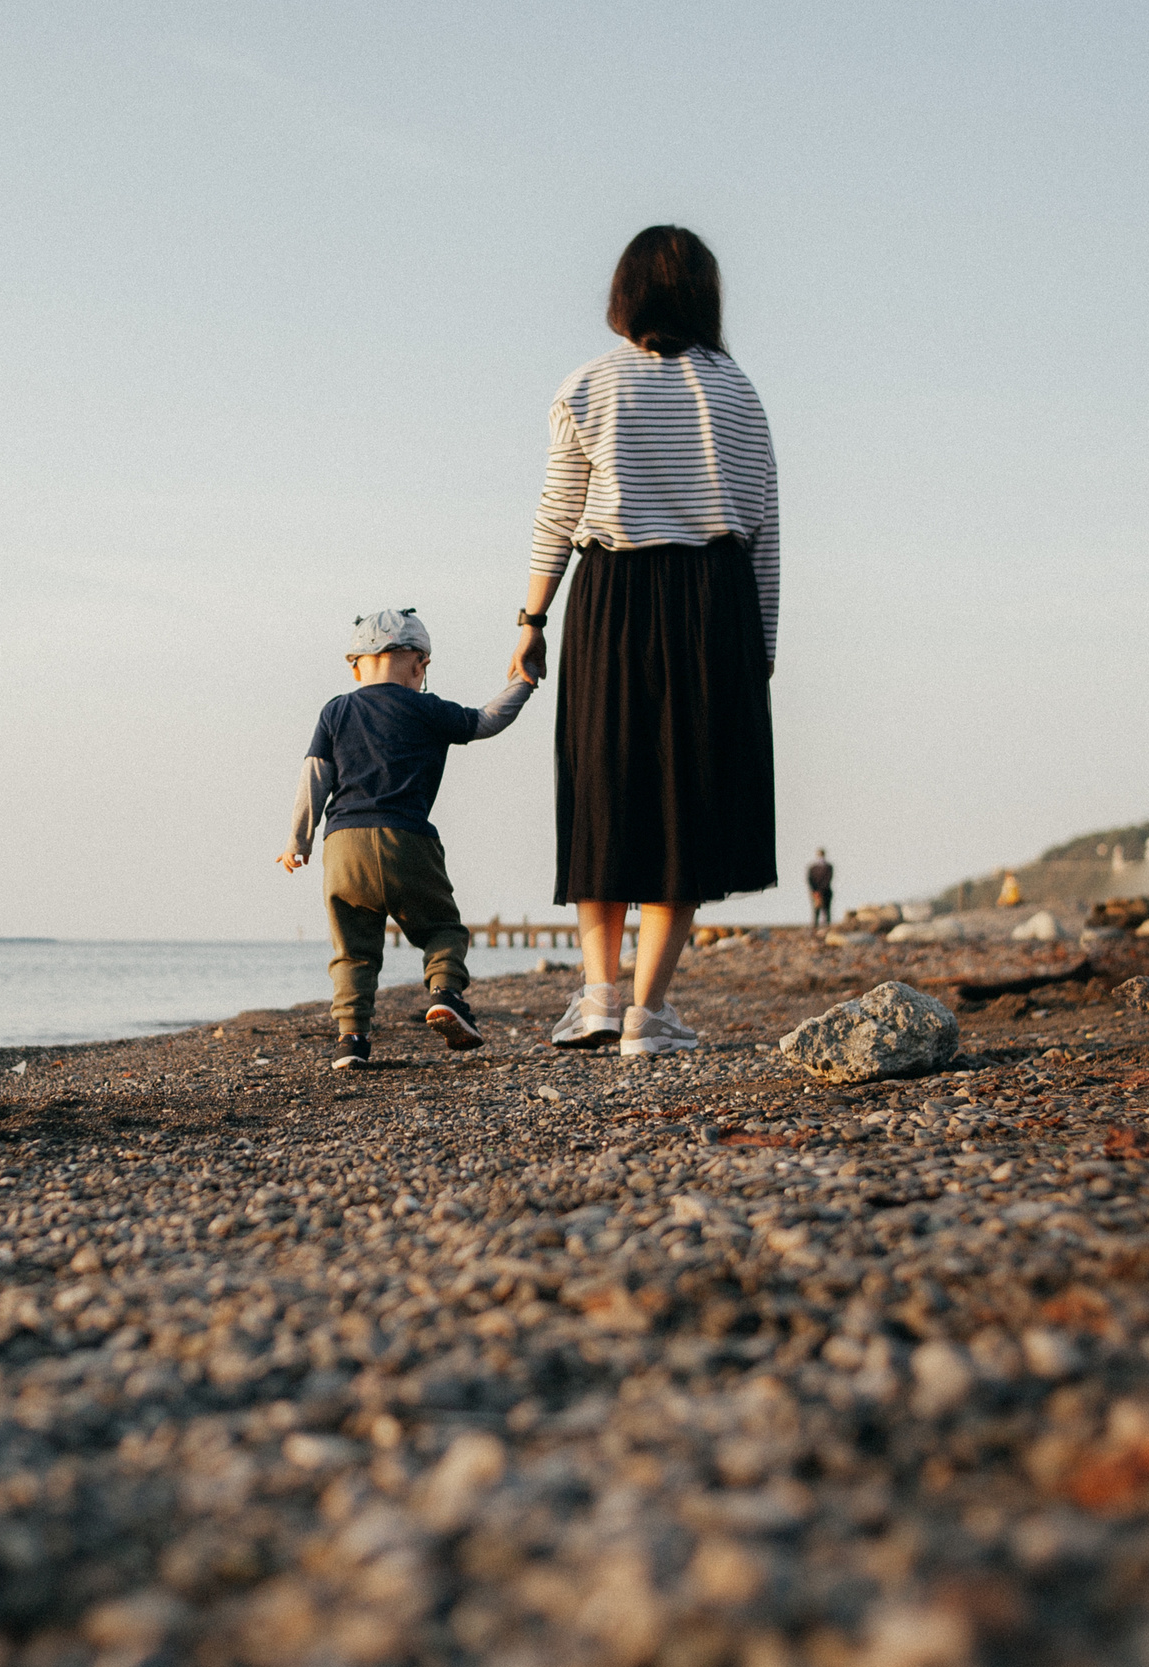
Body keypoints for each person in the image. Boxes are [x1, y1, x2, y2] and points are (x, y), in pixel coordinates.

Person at [508, 226, 780, 1056]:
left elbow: (558, 513)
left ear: (624, 294)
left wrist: (531, 620)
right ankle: (648, 1013)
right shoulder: (740, 393)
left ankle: (598, 995)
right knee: (684, 801)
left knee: (604, 784)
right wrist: (761, 649)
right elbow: (763, 530)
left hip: (612, 597)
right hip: (715, 603)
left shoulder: (588, 385)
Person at [279, 609, 533, 1069]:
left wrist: (299, 841)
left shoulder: (336, 710)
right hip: (407, 839)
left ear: (356, 666)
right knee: (441, 928)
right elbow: (488, 720)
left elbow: (314, 775)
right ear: (419, 664)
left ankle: (351, 1040)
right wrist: (524, 682)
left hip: (343, 847)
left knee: (353, 951)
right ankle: (446, 993)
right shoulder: (427, 708)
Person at [807, 848, 834, 931]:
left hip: (826, 891)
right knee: (816, 910)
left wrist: (821, 890)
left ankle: (827, 927)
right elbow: (810, 879)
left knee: (826, 910)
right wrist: (815, 890)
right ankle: (815, 927)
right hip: (815, 892)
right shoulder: (812, 868)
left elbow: (828, 879)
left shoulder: (829, 867)